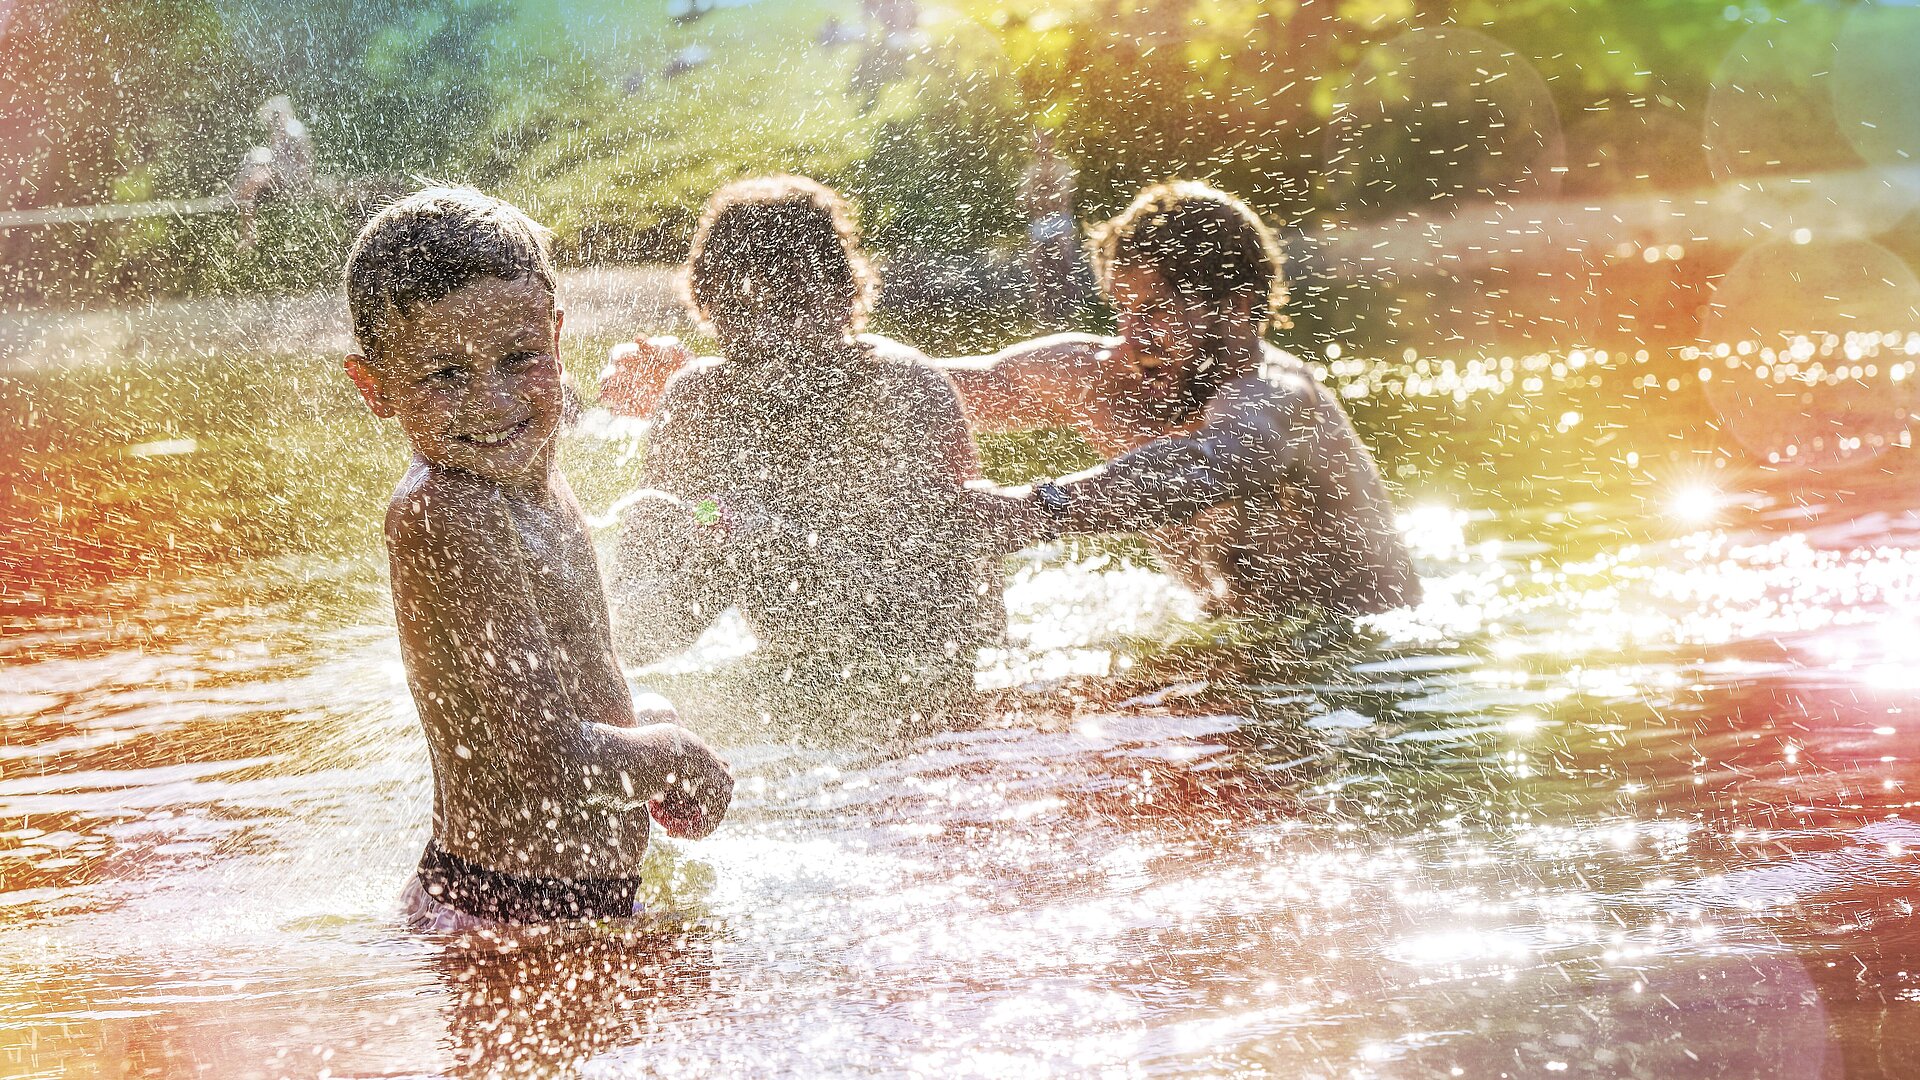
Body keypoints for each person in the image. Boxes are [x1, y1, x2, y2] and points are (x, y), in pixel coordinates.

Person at [340, 187, 733, 930]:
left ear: (554, 342)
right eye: (444, 376)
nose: (491, 402)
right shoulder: (452, 510)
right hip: (509, 915)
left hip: (558, 904)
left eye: (518, 359)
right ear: (376, 387)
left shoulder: (526, 466)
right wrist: (674, 753)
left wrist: (634, 714)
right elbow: (543, 761)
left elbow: (546, 701)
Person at [605, 175, 995, 733]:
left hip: (915, 661)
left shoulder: (905, 385)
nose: (770, 328)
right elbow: (663, 554)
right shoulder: (697, 400)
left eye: (788, 296)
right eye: (746, 304)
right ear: (711, 305)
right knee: (675, 520)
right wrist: (718, 522)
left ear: (837, 294)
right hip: (781, 666)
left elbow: (971, 565)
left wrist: (802, 541)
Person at [947, 181, 1421, 620]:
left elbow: (1209, 464)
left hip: (1356, 659)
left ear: (1235, 304)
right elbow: (930, 391)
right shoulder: (1100, 380)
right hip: (1228, 641)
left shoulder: (1278, 396)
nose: (1134, 337)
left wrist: (1038, 508)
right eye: (1123, 310)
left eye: (1154, 309)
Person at [1020, 127, 1081, 325]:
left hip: (1060, 221)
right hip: (1040, 224)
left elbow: (1063, 197)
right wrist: (1041, 200)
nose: (1042, 147)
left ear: (1051, 144)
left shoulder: (1062, 167)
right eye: (1038, 143)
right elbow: (1023, 199)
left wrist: (1041, 199)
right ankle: (1042, 311)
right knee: (1038, 266)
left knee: (1065, 264)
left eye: (1045, 142)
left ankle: (1069, 307)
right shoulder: (1031, 170)